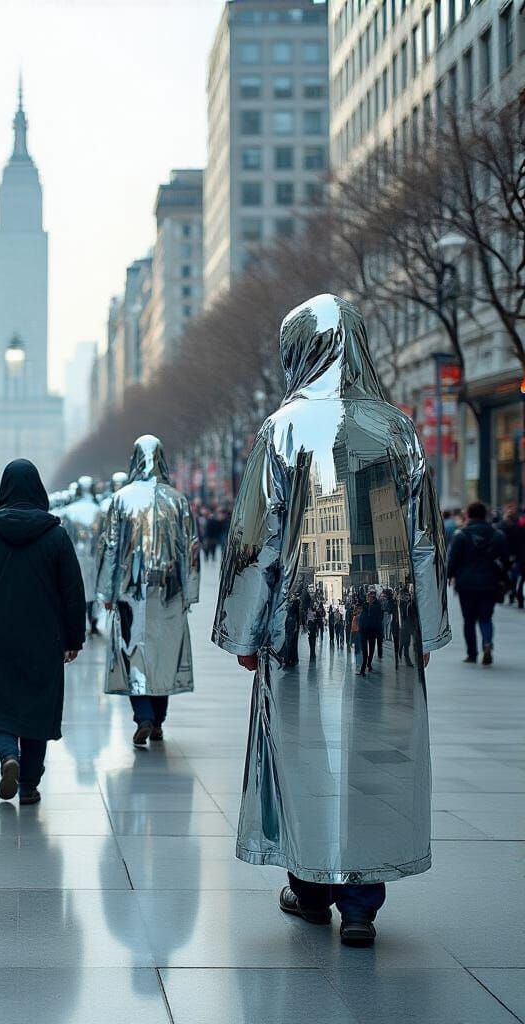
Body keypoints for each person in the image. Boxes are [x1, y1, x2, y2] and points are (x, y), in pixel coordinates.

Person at [213, 294, 449, 948]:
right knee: (377, 755)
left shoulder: (281, 429)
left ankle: (312, 887)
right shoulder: (399, 430)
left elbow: (256, 544)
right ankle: (364, 902)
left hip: (302, 621)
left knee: (299, 750)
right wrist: (426, 631)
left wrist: (242, 633)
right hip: (386, 621)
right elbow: (425, 538)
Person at [0, 459, 85, 805]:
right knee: (37, 707)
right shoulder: (56, 535)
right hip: (45, 637)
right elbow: (73, 591)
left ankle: (7, 754)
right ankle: (29, 783)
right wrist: (74, 638)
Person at [97, 435, 200, 749]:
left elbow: (111, 548)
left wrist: (106, 592)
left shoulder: (121, 499)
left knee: (133, 653)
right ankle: (157, 720)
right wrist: (190, 592)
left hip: (130, 592)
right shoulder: (177, 500)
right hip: (169, 590)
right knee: (164, 654)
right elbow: (191, 549)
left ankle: (142, 715)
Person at [446, 500, 508, 665]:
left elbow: (453, 560)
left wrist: (449, 576)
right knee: (486, 617)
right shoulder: (497, 535)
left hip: (466, 583)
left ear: (468, 515)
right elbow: (505, 560)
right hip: (490, 583)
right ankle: (487, 643)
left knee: (469, 620)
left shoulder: (461, 535)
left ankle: (472, 653)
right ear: (485, 515)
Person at [58, 475, 104, 635]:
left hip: (74, 557)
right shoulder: (98, 510)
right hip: (94, 558)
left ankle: (75, 622)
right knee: (93, 590)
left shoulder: (69, 511)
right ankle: (93, 620)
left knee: (75, 590)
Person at [357, 589, 383, 676]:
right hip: (364, 630)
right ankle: (363, 668)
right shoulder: (365, 605)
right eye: (369, 596)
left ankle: (368, 664)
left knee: (371, 649)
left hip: (372, 631)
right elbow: (362, 615)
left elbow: (379, 618)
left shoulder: (377, 606)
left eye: (372, 596)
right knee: (365, 650)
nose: (370, 598)